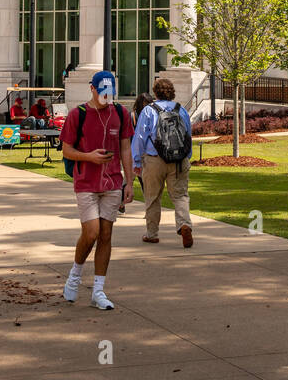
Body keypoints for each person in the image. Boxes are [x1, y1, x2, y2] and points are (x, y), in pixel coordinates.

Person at [59, 70, 133, 310]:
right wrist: (88, 157)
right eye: (102, 93)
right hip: (86, 183)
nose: (106, 98)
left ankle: (99, 290)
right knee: (91, 232)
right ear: (92, 88)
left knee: (106, 234)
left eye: (110, 93)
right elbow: (67, 150)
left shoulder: (120, 113)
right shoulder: (77, 115)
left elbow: (125, 149)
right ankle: (75, 274)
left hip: (112, 182)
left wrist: (129, 182)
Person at [131, 77, 194, 248]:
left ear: (156, 92)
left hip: (154, 160)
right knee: (180, 196)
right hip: (179, 160)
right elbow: (188, 135)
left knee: (152, 198)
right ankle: (184, 224)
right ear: (172, 92)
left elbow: (140, 138)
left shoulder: (148, 111)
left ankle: (152, 234)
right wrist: (187, 155)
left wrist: (136, 161)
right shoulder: (181, 110)